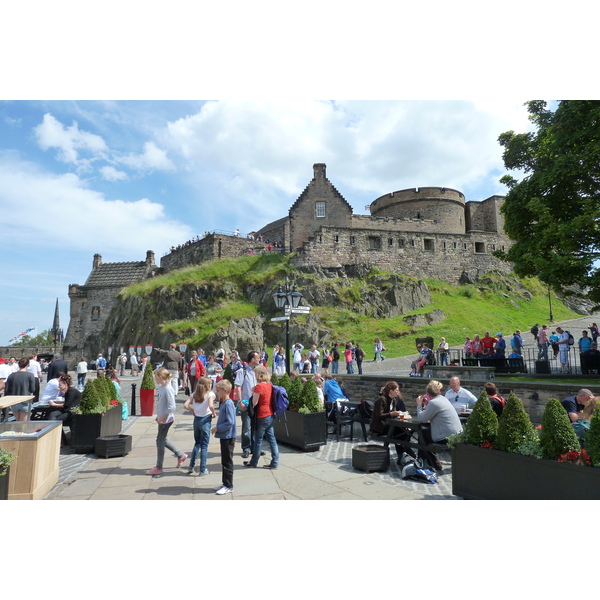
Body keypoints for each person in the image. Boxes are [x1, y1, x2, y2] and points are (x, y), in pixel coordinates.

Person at [146, 368, 187, 475]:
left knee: (160, 441)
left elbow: (171, 407)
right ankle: (180, 454)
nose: (155, 379)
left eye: (155, 377)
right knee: (162, 440)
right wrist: (159, 416)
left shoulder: (168, 389)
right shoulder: (162, 388)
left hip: (166, 420)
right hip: (163, 419)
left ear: (160, 377)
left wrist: (162, 417)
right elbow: (162, 405)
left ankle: (159, 467)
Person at [416, 380, 463, 470]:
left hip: (446, 437)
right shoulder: (443, 399)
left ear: (428, 393)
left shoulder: (434, 403)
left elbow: (421, 419)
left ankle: (426, 462)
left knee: (422, 435)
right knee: (425, 434)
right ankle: (432, 462)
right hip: (456, 434)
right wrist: (427, 404)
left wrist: (419, 405)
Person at [370, 381, 415, 464]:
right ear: (391, 391)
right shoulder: (382, 400)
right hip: (379, 426)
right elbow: (379, 415)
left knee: (402, 430)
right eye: (396, 390)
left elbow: (393, 413)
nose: (398, 392)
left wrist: (400, 414)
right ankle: (406, 452)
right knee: (399, 430)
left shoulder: (393, 400)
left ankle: (402, 453)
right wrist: (391, 414)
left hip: (388, 424)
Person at [244, 365, 279, 469]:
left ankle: (254, 462)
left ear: (258, 375)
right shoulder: (269, 385)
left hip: (262, 415)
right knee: (272, 439)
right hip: (270, 414)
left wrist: (253, 391)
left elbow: (254, 403)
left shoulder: (259, 386)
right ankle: (275, 462)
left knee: (258, 439)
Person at [183, 376, 216, 475]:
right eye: (210, 384)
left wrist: (192, 410)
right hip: (206, 420)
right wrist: (213, 413)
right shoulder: (210, 394)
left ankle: (191, 466)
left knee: (197, 443)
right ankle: (203, 469)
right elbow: (211, 405)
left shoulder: (195, 394)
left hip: (196, 420)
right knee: (205, 445)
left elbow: (185, 405)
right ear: (207, 386)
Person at [211, 379, 236, 495]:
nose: (217, 393)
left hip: (228, 436)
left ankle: (228, 485)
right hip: (225, 436)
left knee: (227, 462)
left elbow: (230, 422)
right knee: (224, 461)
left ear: (225, 391)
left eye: (218, 391)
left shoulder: (228, 404)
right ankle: (225, 483)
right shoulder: (225, 403)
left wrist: (218, 428)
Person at [235, 350, 260, 459]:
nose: (260, 359)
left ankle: (255, 448)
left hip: (257, 403)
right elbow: (238, 387)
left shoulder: (258, 371)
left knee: (256, 427)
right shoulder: (242, 371)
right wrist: (240, 402)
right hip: (246, 403)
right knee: (246, 427)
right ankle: (246, 448)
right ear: (252, 359)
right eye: (258, 358)